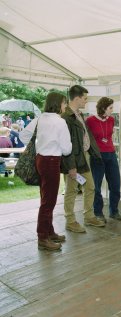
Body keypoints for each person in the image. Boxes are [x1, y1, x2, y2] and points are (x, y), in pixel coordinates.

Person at [19, 92, 72, 251]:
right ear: (58, 104)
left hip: (40, 160)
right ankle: (42, 237)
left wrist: (41, 143)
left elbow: (23, 135)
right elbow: (67, 149)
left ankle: (49, 232)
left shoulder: (40, 118)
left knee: (45, 197)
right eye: (64, 103)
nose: (65, 106)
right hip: (51, 162)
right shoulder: (60, 122)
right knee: (48, 202)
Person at [61, 85, 105, 233]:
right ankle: (70, 220)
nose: (86, 101)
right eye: (85, 98)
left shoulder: (78, 114)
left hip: (82, 158)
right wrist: (71, 166)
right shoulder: (66, 116)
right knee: (71, 190)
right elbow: (68, 144)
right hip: (73, 160)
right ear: (77, 98)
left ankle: (88, 216)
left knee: (90, 186)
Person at [86, 97, 121, 223]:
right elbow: (87, 139)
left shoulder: (112, 120)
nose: (112, 110)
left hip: (111, 154)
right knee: (96, 186)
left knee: (115, 184)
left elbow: (108, 136)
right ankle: (98, 212)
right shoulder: (90, 120)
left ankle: (114, 211)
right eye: (110, 108)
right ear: (103, 108)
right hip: (97, 156)